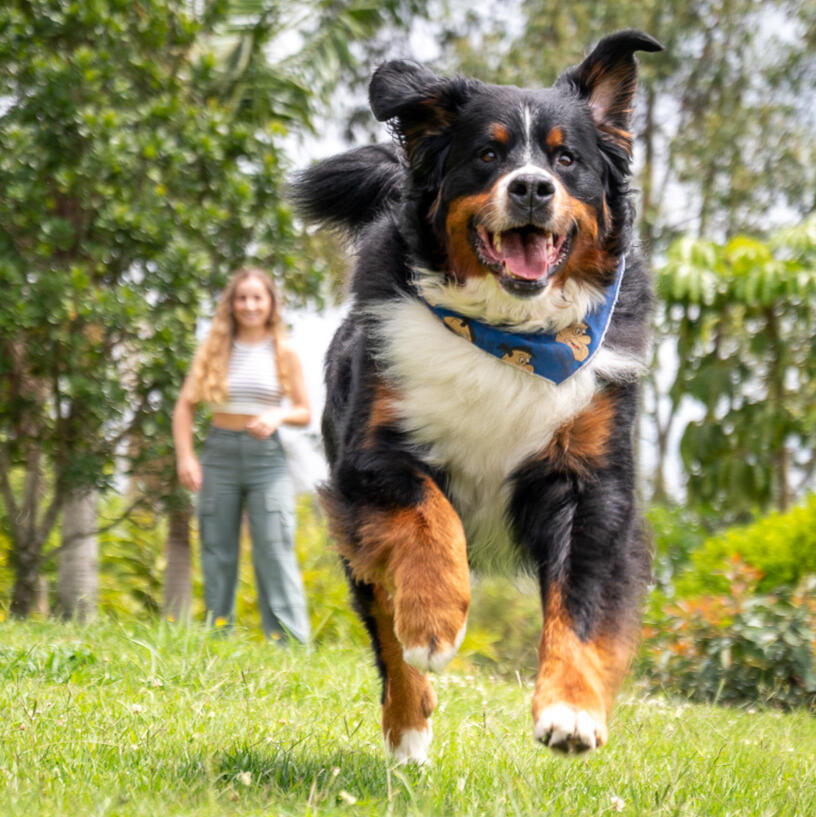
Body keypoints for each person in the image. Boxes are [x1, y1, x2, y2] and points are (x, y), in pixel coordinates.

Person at [173, 267, 311, 642]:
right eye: (242, 298)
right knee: (217, 551)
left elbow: (304, 410)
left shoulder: (284, 351)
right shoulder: (215, 349)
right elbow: (185, 406)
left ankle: (290, 645)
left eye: (257, 298)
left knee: (274, 551)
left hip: (268, 460)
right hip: (219, 455)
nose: (249, 305)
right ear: (231, 305)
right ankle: (219, 638)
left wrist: (277, 414)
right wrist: (186, 457)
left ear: (270, 304)